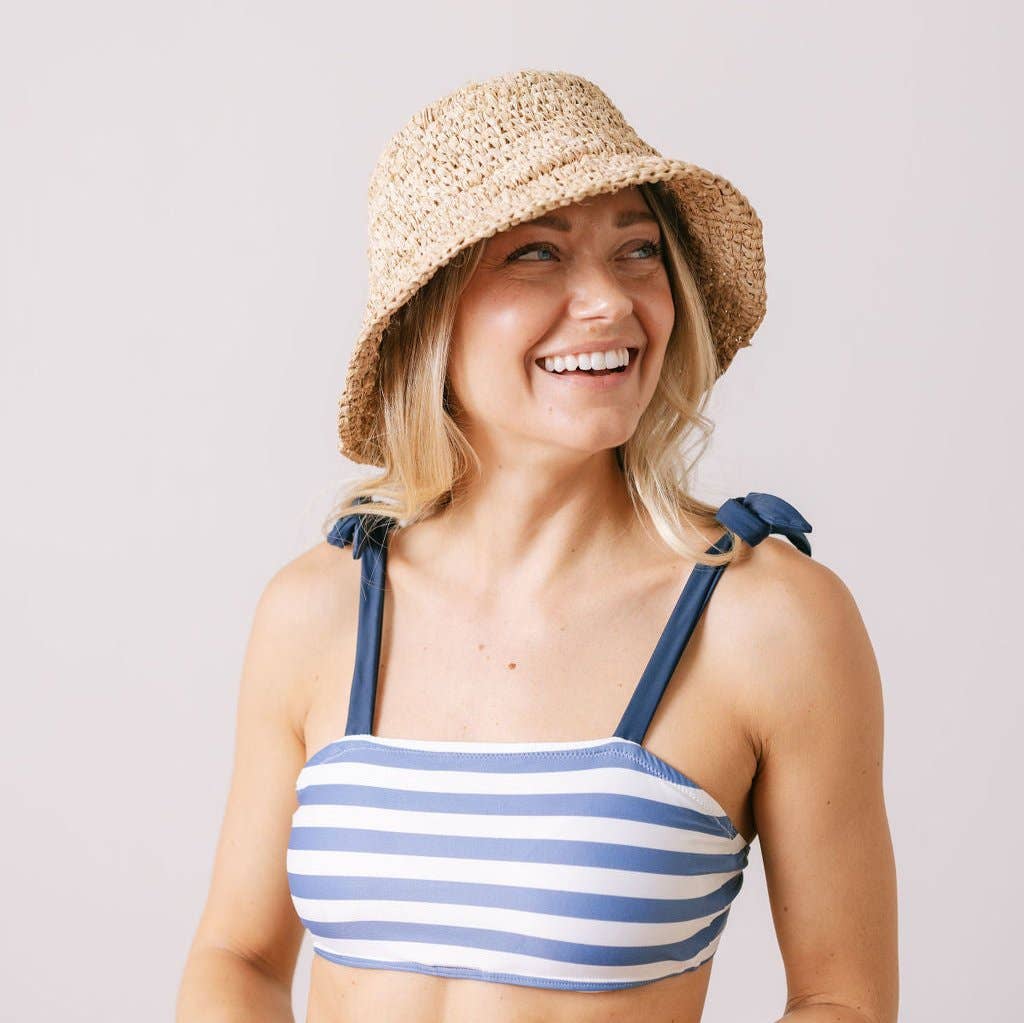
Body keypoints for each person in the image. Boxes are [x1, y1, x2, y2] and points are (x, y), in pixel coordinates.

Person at [176, 69, 898, 1023]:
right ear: (429, 313)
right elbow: (236, 957)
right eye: (537, 254)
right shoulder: (320, 608)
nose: (608, 302)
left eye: (638, 250)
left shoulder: (766, 619)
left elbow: (842, 998)